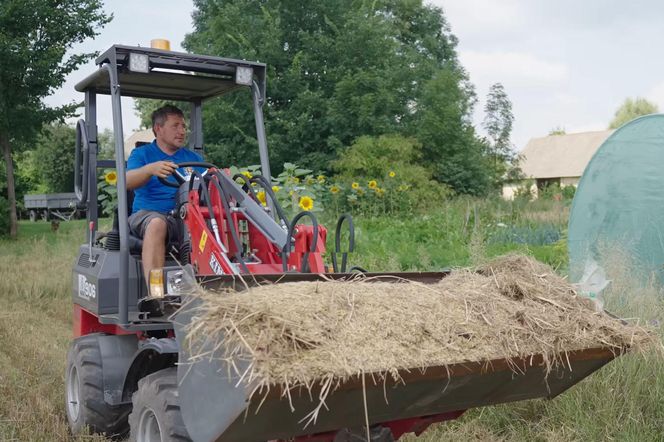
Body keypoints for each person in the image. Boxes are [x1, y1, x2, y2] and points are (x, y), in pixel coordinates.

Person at [126, 104, 203, 283]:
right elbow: (127, 181)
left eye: (183, 126)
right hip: (148, 214)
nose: (182, 131)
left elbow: (207, 184)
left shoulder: (194, 159)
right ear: (158, 129)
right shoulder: (142, 154)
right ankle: (156, 292)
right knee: (156, 224)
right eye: (175, 126)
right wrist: (149, 170)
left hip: (186, 216)